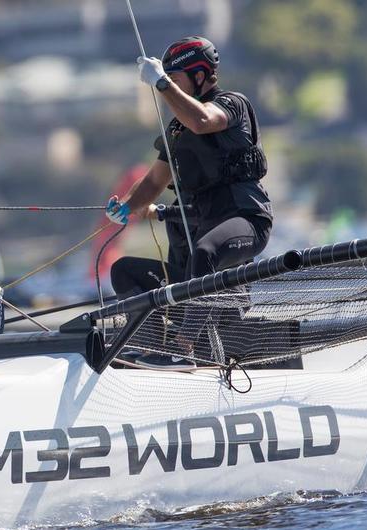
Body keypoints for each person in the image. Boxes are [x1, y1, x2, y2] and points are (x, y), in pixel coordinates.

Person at [105, 36, 272, 369]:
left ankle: (184, 349)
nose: (170, 89)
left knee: (205, 252)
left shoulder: (230, 104)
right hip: (201, 243)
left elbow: (203, 121)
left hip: (246, 220)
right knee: (124, 271)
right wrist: (126, 207)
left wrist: (162, 83)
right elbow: (154, 180)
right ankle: (151, 345)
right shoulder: (177, 129)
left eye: (176, 78)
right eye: (168, 80)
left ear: (199, 75)